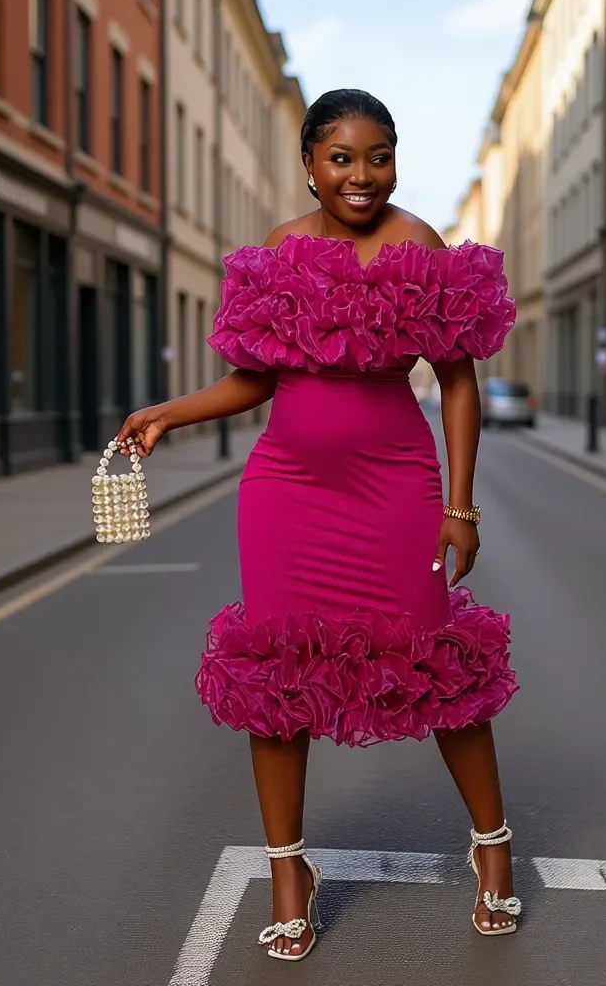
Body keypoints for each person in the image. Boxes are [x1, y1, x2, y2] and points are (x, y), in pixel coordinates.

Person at [117, 88, 521, 961]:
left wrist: (460, 507)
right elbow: (255, 381)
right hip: (285, 489)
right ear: (309, 163)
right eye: (341, 158)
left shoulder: (418, 245)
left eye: (379, 156)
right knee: (275, 675)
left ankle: (492, 846)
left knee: (434, 668)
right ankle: (289, 872)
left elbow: (456, 383)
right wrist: (168, 412)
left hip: (396, 488)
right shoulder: (281, 250)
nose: (362, 175)